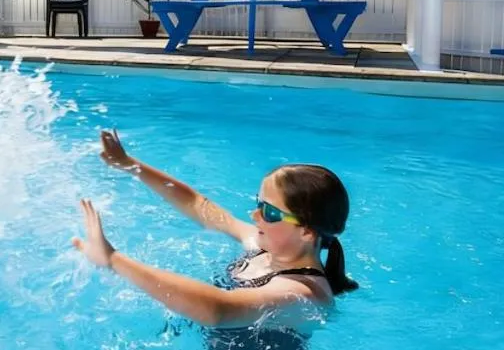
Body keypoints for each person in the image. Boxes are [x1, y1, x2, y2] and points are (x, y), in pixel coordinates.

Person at [72, 130, 357, 330]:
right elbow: (199, 205)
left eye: (269, 212)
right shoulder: (264, 245)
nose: (254, 215)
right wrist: (131, 165)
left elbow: (219, 310)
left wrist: (114, 260)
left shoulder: (302, 292)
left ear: (307, 231)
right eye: (258, 204)